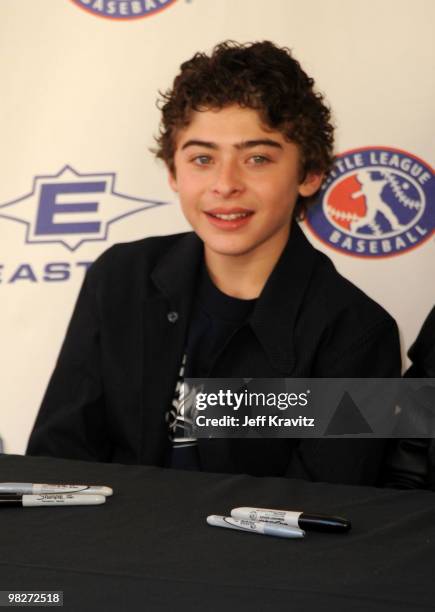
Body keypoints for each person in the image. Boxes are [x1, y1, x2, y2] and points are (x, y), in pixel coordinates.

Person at [27, 41, 403, 485]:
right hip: (105, 550)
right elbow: (56, 467)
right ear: (173, 171)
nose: (225, 184)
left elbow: (320, 516)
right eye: (202, 159)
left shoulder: (360, 335)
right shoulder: (121, 278)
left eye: (257, 158)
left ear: (310, 173)